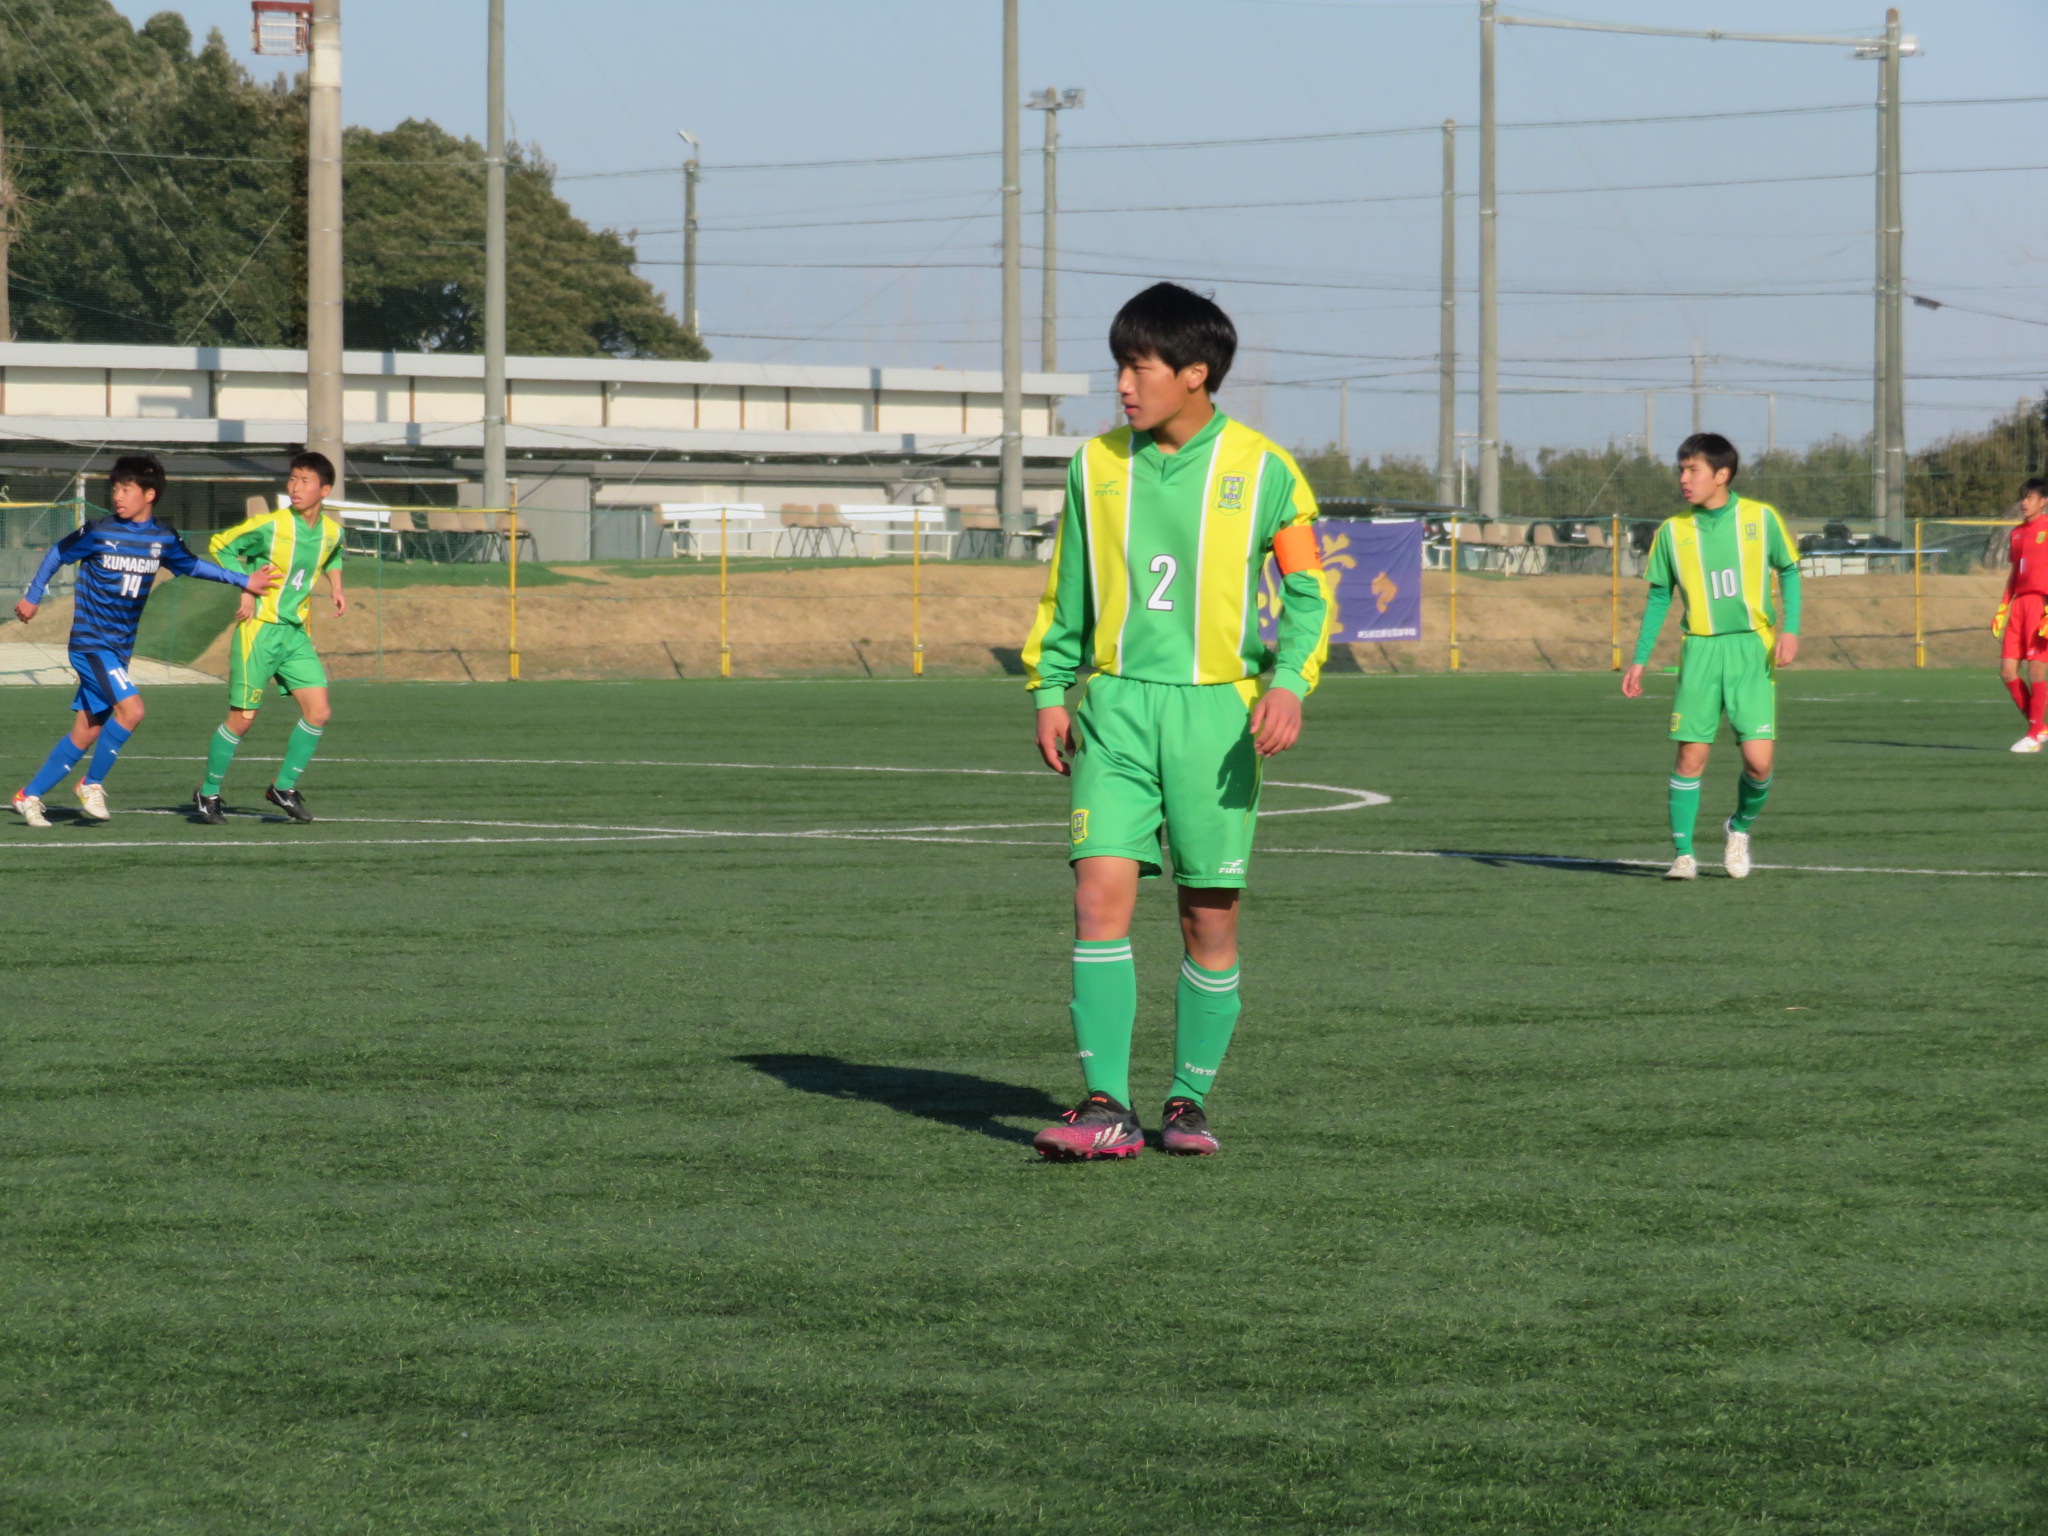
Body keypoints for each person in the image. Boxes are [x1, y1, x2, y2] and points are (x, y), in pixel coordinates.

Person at [1020, 282, 1333, 1160]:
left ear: (1195, 373)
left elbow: (1309, 595)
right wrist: (1050, 689)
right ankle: (1106, 1106)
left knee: (1209, 917)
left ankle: (1187, 1101)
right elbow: (1067, 590)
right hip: (1116, 709)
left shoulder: (1267, 471)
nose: (1123, 385)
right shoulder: (1093, 466)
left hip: (1217, 720)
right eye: (1119, 367)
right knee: (1096, 896)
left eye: (1139, 367)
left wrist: (1289, 684)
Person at [11, 454, 275, 827]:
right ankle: (91, 784)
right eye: (115, 489)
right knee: (133, 711)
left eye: (126, 489)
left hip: (119, 649)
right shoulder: (99, 531)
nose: (117, 496)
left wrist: (243, 580)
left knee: (88, 728)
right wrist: (34, 594)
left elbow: (193, 565)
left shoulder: (162, 538)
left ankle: (28, 796)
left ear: (149, 494)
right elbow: (57, 552)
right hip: (91, 643)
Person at [1622, 432, 1801, 881]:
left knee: (1759, 763)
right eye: (1681, 470)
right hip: (1700, 650)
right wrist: (1640, 659)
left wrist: (1791, 629)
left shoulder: (1760, 518)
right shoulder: (1672, 531)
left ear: (1722, 475)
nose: (1684, 479)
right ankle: (1683, 854)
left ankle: (1738, 829)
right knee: (1690, 757)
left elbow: (1789, 570)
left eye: (1693, 470)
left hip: (1751, 649)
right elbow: (1659, 596)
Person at [192, 451, 347, 825]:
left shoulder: (332, 531)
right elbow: (221, 544)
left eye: (305, 481)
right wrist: (244, 583)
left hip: (295, 634)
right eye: (292, 478)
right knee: (243, 719)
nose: (295, 486)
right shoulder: (272, 525)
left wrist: (337, 586)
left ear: (325, 490)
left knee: (319, 711)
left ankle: (282, 787)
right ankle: (207, 793)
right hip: (259, 631)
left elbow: (333, 555)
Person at [1992, 477, 2048, 753]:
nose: (2024, 503)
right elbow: (2015, 573)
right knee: (2007, 671)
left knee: (2036, 668)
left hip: (2041, 605)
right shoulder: (2016, 534)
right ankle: (2039, 728)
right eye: (2023, 497)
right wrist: (2003, 608)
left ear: (2043, 501)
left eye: (2030, 497)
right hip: (2019, 607)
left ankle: (2034, 736)